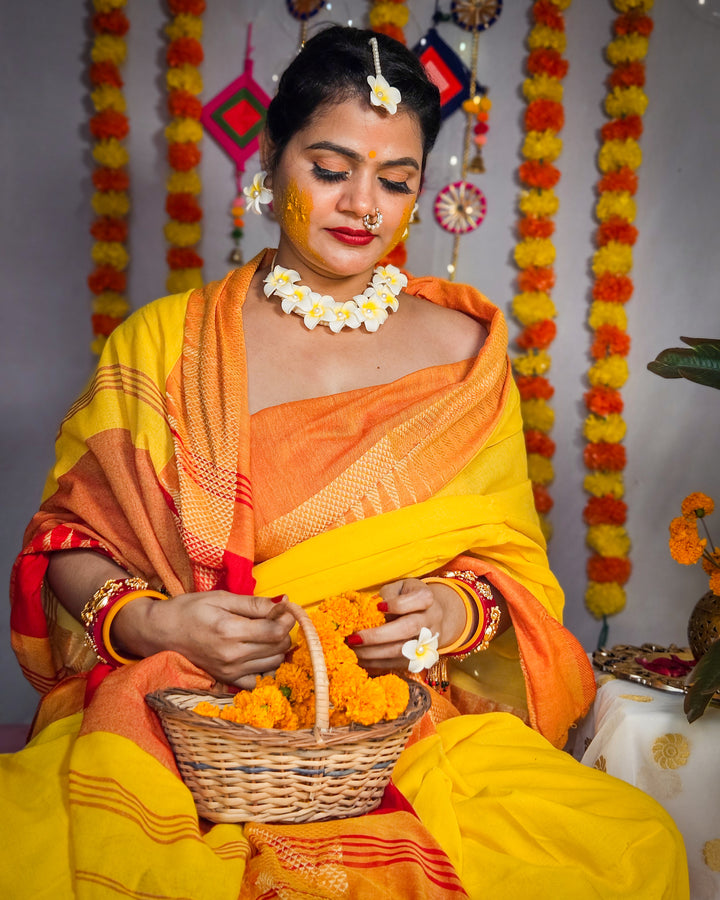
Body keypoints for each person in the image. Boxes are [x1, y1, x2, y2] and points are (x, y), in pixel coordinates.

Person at [3, 25, 688, 900]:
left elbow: (509, 572)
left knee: (627, 849)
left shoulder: (464, 357)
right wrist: (154, 625)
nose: (364, 204)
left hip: (402, 723)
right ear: (270, 160)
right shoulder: (168, 344)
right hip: (192, 716)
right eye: (331, 170)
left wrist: (452, 609)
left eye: (395, 180)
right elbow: (66, 540)